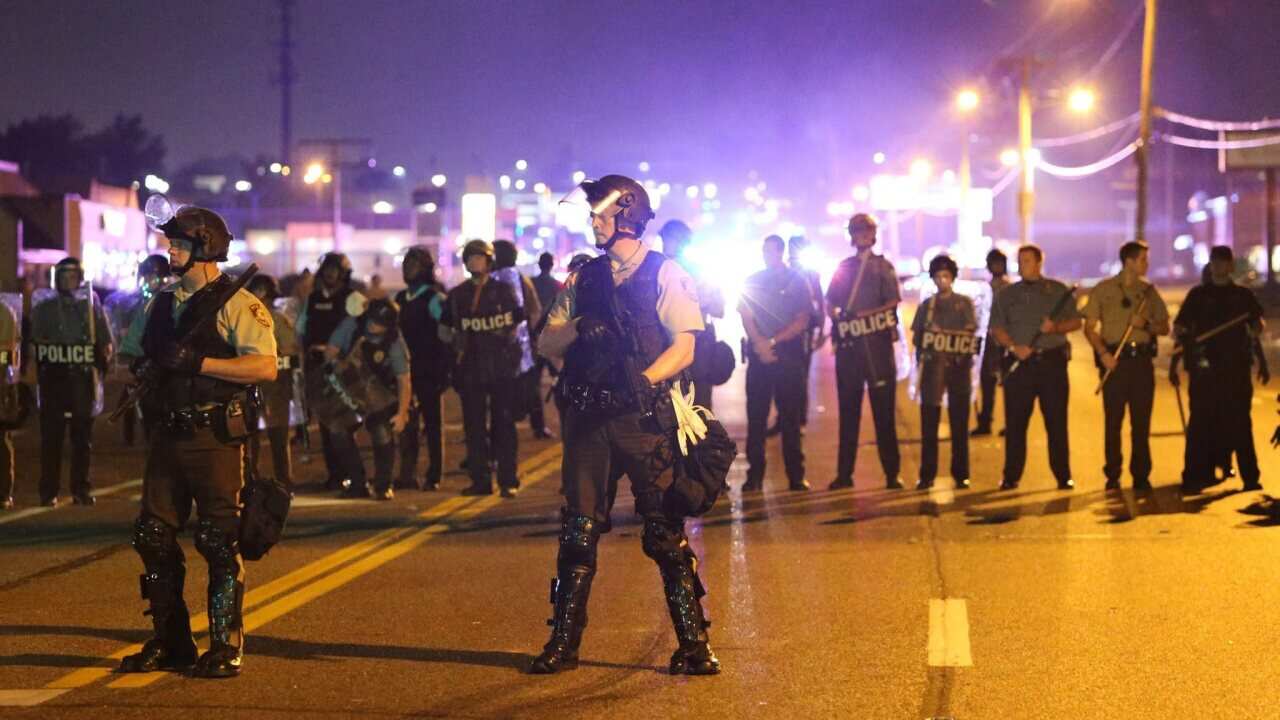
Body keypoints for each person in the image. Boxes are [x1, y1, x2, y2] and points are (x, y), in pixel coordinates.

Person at [531, 174, 718, 676]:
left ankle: (695, 646)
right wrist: (575, 328)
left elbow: (686, 344)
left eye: (601, 214)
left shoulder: (665, 272)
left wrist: (645, 379)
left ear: (628, 217)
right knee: (577, 532)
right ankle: (563, 644)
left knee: (664, 533)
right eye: (592, 214)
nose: (593, 222)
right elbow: (545, 343)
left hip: (642, 420)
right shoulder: (583, 277)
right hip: (589, 420)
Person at [116, 205, 277, 678]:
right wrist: (145, 368)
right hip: (168, 433)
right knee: (151, 534)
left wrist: (200, 364)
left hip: (215, 436)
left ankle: (226, 645)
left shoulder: (237, 303)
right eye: (171, 243)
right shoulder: (159, 303)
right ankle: (172, 641)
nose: (171, 250)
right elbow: (130, 358)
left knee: (217, 538)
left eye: (180, 244)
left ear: (205, 247)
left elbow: (264, 366)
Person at [1173, 245, 1266, 493]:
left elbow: (1257, 324)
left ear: (1231, 266)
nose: (1219, 266)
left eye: (1224, 262)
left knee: (1240, 423)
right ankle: (1194, 476)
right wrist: (1184, 335)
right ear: (1211, 265)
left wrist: (1255, 330)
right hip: (1204, 371)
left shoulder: (1243, 296)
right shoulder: (1198, 295)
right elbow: (1179, 326)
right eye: (1215, 262)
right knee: (1201, 424)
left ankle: (1250, 477)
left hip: (1235, 369)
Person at [989, 244, 1081, 491]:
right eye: (1019, 261)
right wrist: (1013, 346)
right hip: (1020, 366)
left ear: (1039, 263)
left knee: (1056, 423)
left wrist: (1056, 328)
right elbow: (996, 327)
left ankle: (1063, 475)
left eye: (1027, 261)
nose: (1022, 265)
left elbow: (1075, 322)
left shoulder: (1057, 291)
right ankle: (1011, 476)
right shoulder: (1007, 295)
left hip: (1051, 363)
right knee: (1016, 424)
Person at [1082, 241, 1170, 491]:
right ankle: (1112, 474)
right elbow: (1089, 328)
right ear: (1129, 262)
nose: (1146, 264)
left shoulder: (1149, 292)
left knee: (1141, 423)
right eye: (1143, 259)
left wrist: (1145, 324)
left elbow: (1164, 327)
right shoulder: (1103, 289)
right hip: (1114, 362)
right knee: (1113, 422)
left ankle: (1141, 475)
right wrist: (1102, 354)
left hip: (1141, 362)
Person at [825, 213, 903, 490]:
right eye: (856, 231)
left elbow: (893, 301)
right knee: (848, 415)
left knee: (884, 416)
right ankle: (844, 475)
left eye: (864, 231)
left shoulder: (883, 267)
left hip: (877, 350)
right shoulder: (843, 267)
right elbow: (829, 301)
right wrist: (837, 316)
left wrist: (860, 315)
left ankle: (892, 474)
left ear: (873, 234)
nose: (860, 236)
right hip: (849, 351)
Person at [440, 240, 523, 497]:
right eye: (470, 258)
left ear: (489, 262)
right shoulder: (457, 295)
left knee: (504, 425)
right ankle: (480, 480)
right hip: (471, 368)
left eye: (479, 258)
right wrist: (457, 344)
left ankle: (508, 479)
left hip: (500, 367)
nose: (474, 262)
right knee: (474, 428)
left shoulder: (503, 290)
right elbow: (444, 330)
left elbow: (517, 324)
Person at [29, 257, 113, 507]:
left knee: (82, 438)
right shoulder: (44, 309)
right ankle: (48, 491)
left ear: (80, 278)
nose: (68, 280)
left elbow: (105, 342)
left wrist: (101, 366)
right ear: (56, 279)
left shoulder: (90, 307)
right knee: (51, 437)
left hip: (81, 379)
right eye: (63, 276)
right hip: (53, 379)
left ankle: (81, 489)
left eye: (73, 276)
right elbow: (35, 345)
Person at [739, 234, 811, 492]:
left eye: (771, 250)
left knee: (790, 419)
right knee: (756, 419)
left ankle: (796, 476)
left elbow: (802, 318)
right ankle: (754, 476)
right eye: (764, 250)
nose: (767, 254)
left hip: (787, 356)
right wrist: (760, 343)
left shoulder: (797, 281)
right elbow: (746, 315)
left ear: (780, 251)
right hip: (760, 357)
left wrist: (770, 342)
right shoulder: (753, 280)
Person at [324, 298, 412, 500]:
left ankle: (383, 485)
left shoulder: (394, 341)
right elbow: (330, 352)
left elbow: (404, 380)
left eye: (380, 323)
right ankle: (357, 482)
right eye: (372, 320)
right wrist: (339, 367)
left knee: (382, 434)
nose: (373, 325)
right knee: (338, 432)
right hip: (349, 387)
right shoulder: (352, 325)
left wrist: (402, 413)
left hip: (378, 392)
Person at [298, 252, 366, 490]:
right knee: (325, 424)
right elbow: (301, 330)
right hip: (316, 367)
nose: (330, 273)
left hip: (342, 368)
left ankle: (353, 474)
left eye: (335, 269)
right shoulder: (313, 298)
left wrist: (340, 354)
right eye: (326, 269)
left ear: (344, 273)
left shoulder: (353, 298)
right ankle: (335, 475)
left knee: (345, 424)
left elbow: (362, 333)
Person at [912, 255, 977, 490]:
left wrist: (948, 336)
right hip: (932, 369)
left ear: (953, 278)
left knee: (960, 424)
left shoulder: (964, 303)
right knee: (929, 424)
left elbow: (970, 333)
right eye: (938, 276)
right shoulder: (927, 306)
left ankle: (961, 473)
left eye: (946, 276)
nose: (942, 281)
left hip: (958, 368)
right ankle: (927, 474)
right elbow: (918, 338)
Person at [395, 246, 451, 491]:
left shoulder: (433, 298)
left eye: (414, 264)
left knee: (432, 423)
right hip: (405, 371)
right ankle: (407, 474)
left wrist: (445, 369)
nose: (408, 269)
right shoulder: (399, 299)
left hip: (429, 369)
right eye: (406, 264)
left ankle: (434, 474)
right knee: (406, 422)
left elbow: (447, 335)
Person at [659, 219, 726, 411]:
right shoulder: (655, 268)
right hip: (663, 344)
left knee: (699, 408)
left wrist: (696, 302)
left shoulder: (699, 271)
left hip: (697, 345)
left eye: (669, 239)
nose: (666, 243)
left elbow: (719, 309)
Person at [107, 254, 171, 446]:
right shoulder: (132, 303)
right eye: (148, 278)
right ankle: (130, 438)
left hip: (159, 359)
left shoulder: (170, 301)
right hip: (137, 359)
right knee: (129, 399)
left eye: (156, 278)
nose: (152, 283)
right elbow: (121, 328)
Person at [246, 274, 298, 488]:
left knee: (265, 435)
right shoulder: (273, 318)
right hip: (263, 380)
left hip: (269, 381)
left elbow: (289, 350)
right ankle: (279, 482)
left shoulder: (273, 319)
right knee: (266, 435)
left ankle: (261, 480)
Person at [492, 240, 546, 438]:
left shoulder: (489, 281)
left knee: (499, 397)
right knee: (529, 388)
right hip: (521, 348)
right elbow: (535, 310)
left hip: (497, 349)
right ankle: (537, 426)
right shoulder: (521, 279)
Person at [786, 235, 825, 429]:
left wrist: (821, 332)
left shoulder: (810, 273)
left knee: (801, 374)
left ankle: (799, 419)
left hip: (805, 331)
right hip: (785, 329)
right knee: (784, 376)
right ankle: (785, 419)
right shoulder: (783, 271)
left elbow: (820, 301)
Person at [973, 249, 1010, 436]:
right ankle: (985, 422)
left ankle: (1010, 424)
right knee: (987, 385)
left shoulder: (1011, 289)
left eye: (1000, 263)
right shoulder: (984, 289)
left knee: (1010, 386)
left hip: (1006, 342)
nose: (997, 266)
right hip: (987, 343)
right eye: (994, 263)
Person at [529, 252, 564, 437]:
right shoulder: (557, 286)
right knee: (560, 380)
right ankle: (566, 420)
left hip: (533, 340)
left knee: (534, 384)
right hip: (552, 341)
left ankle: (538, 425)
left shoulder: (530, 283)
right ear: (551, 265)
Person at [0, 292, 22, 510]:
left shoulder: (5, 312)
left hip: (0, 384)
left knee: (1, 440)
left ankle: (4, 492)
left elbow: (8, 354)